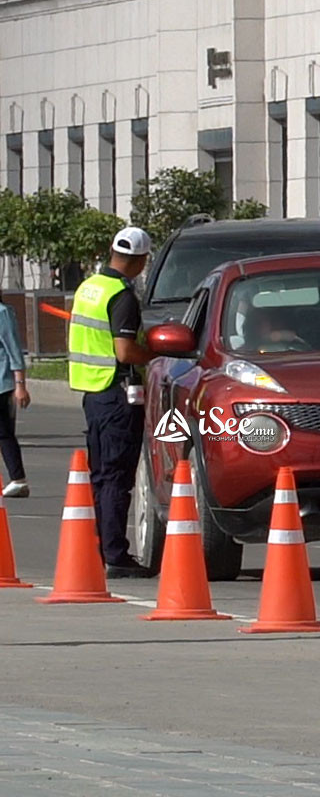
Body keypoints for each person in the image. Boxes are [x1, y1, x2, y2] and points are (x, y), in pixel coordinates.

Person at [68, 227, 159, 578]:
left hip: (93, 392)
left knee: (102, 475)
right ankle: (117, 556)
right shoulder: (121, 295)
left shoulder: (89, 287)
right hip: (116, 391)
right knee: (117, 477)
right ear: (139, 261)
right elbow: (124, 350)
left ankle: (101, 547)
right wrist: (152, 353)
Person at [0, 296, 30, 497]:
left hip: (2, 383)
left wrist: (20, 385)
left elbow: (14, 350)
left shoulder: (2, 313)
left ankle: (18, 478)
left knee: (3, 432)